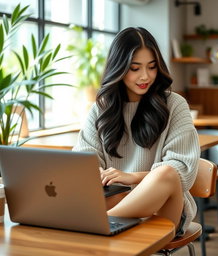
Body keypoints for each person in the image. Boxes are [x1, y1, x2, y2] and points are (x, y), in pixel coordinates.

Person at [73, 27, 200, 240]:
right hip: (119, 201)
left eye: (152, 67)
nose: (145, 76)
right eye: (135, 68)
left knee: (167, 173)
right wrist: (98, 174)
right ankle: (101, 226)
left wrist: (131, 177)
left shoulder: (175, 105)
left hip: (165, 210)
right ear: (119, 68)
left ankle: (97, 227)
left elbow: (181, 172)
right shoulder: (101, 109)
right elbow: (82, 163)